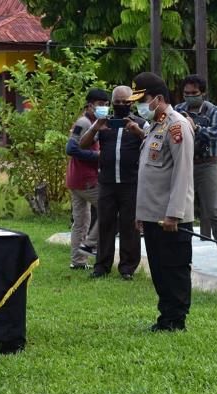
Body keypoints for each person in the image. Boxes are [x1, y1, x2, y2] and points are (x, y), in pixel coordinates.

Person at [129, 72, 194, 332]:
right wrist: (140, 213)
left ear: (158, 98)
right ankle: (165, 316)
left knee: (174, 269)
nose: (138, 107)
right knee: (158, 268)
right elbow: (149, 173)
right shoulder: (155, 126)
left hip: (170, 217)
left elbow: (182, 173)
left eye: (142, 100)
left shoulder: (177, 126)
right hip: (152, 214)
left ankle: (176, 320)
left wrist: (175, 214)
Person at [80, 86, 147, 280]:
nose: (121, 106)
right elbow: (82, 144)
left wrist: (136, 131)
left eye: (125, 103)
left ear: (131, 103)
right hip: (107, 183)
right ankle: (101, 266)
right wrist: (95, 127)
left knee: (130, 227)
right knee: (105, 224)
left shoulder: (141, 123)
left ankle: (127, 268)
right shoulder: (104, 123)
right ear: (111, 103)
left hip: (131, 183)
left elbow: (153, 144)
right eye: (116, 102)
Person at [174, 74, 217, 272]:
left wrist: (195, 127)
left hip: (207, 165)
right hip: (184, 164)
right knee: (180, 211)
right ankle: (182, 257)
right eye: (186, 93)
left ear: (203, 93)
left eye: (194, 93)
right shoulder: (177, 110)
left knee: (215, 210)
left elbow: (215, 133)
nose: (190, 97)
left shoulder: (214, 112)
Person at [64, 88, 108, 270]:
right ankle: (90, 244)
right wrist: (97, 156)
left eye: (106, 105)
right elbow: (71, 149)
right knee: (109, 209)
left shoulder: (94, 121)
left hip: (76, 179)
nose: (104, 108)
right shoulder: (84, 122)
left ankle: (78, 261)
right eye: (100, 105)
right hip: (86, 180)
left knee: (80, 222)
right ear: (90, 105)